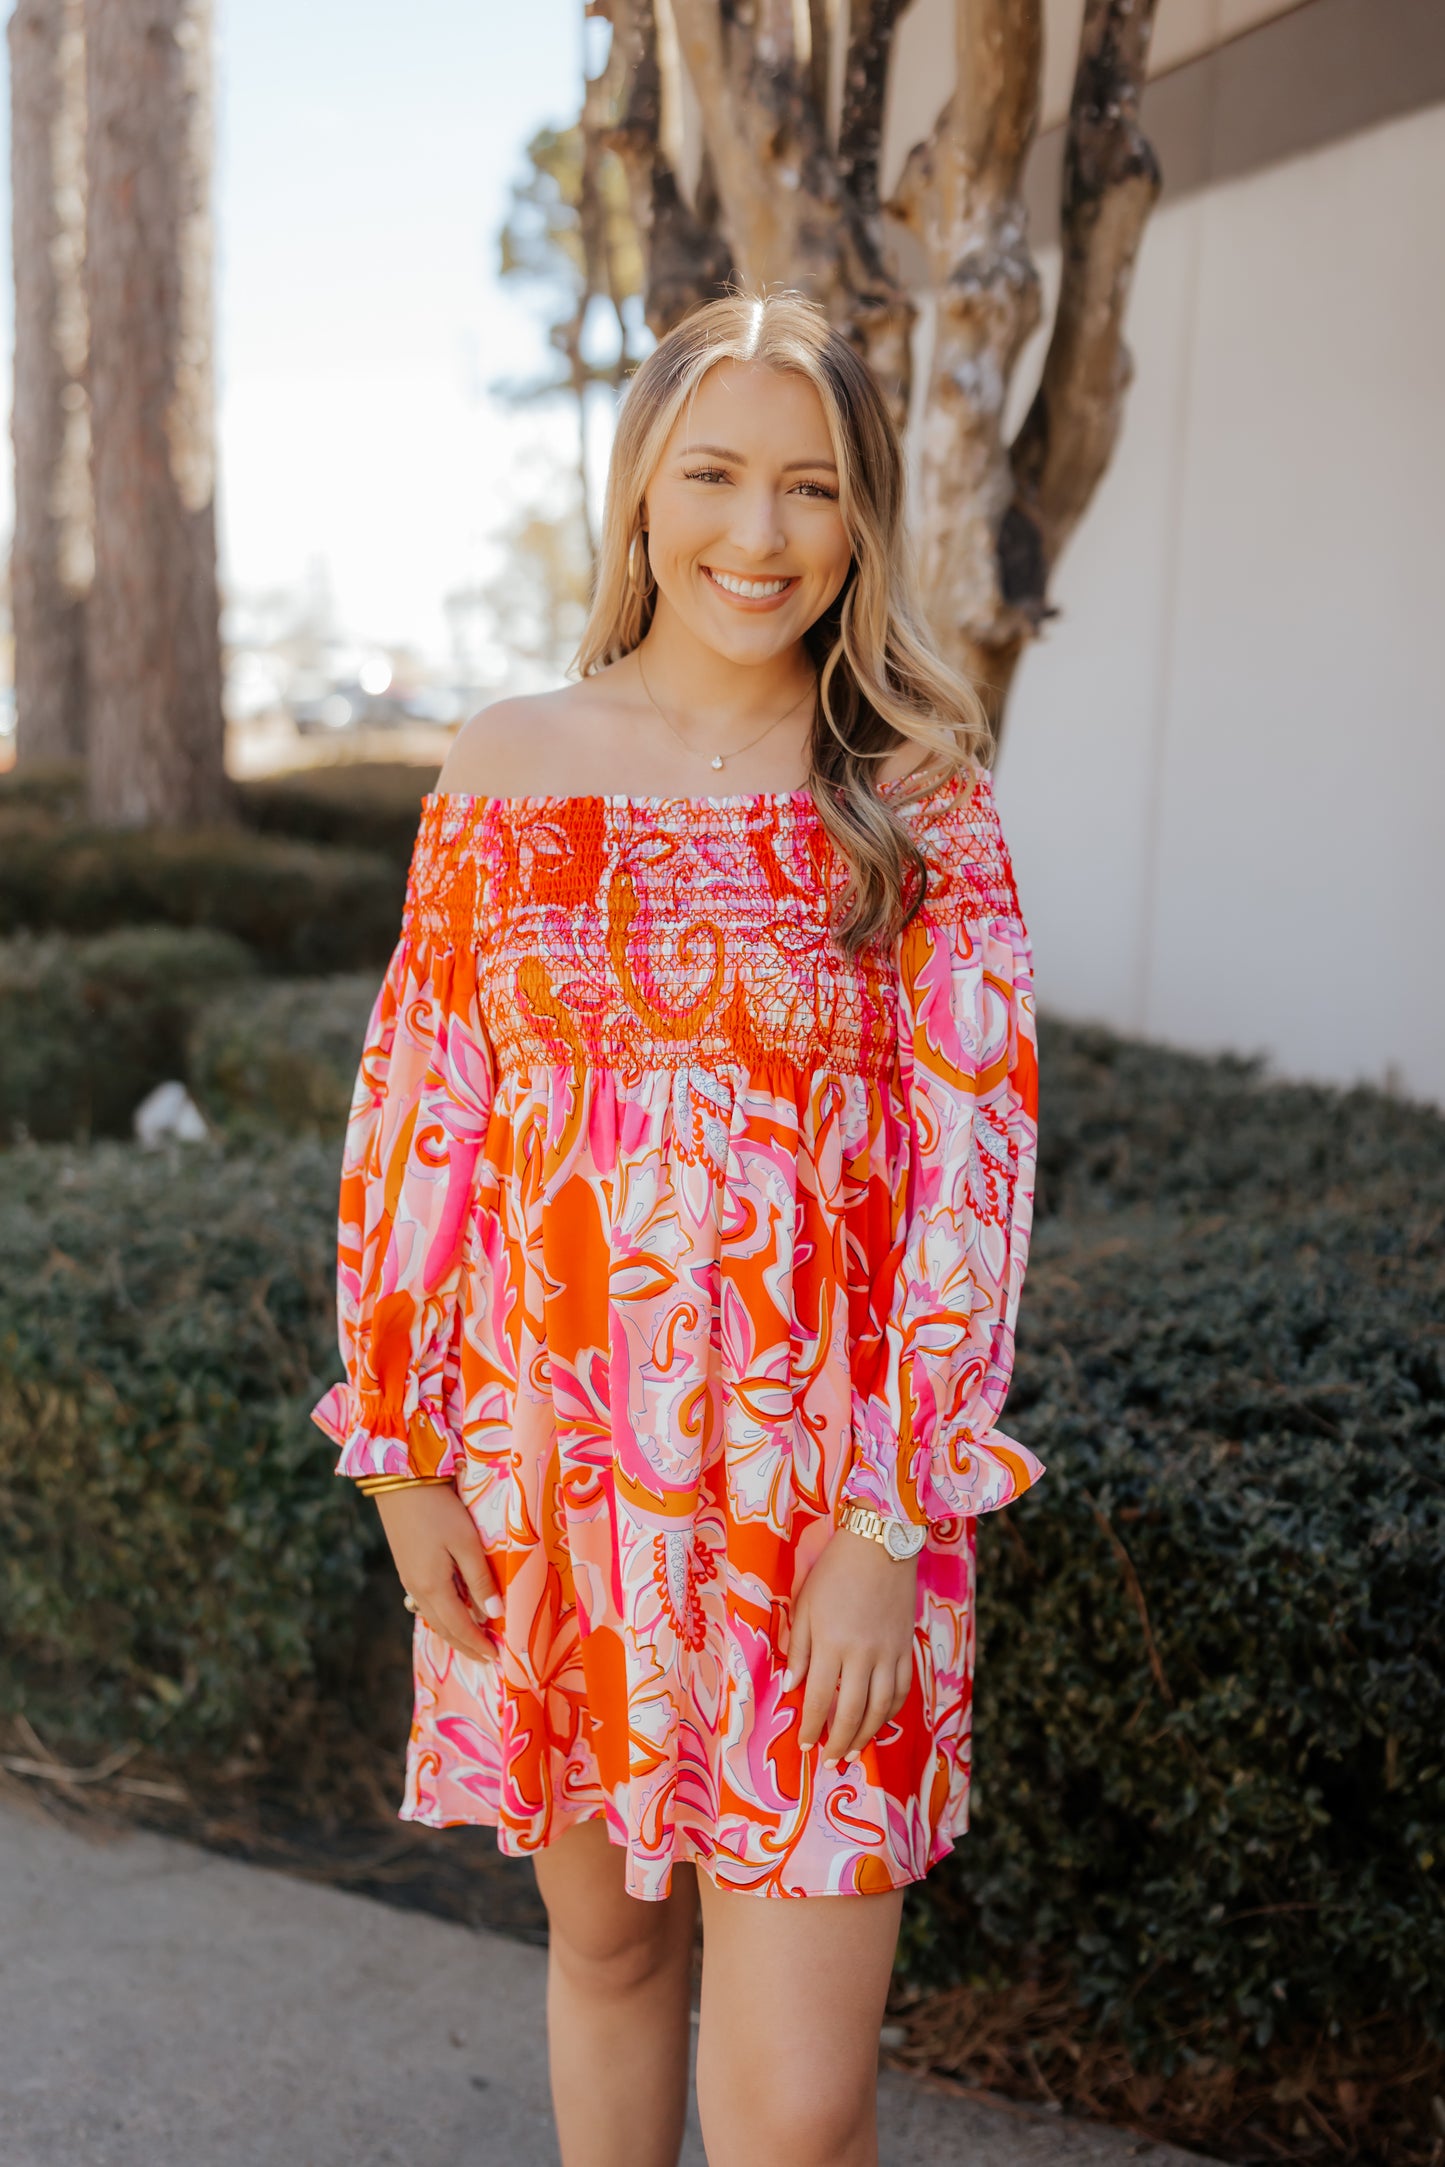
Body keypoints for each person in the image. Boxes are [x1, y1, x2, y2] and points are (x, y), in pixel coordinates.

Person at [311, 286, 1043, 2167]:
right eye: (711, 475)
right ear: (638, 494)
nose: (756, 532)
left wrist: (891, 1522)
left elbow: (975, 1186)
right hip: (551, 1490)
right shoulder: (506, 764)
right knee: (611, 1948)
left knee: (796, 2119)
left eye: (808, 488)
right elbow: (419, 1128)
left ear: (861, 519)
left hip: (827, 1520)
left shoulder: (917, 804)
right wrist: (401, 1461)